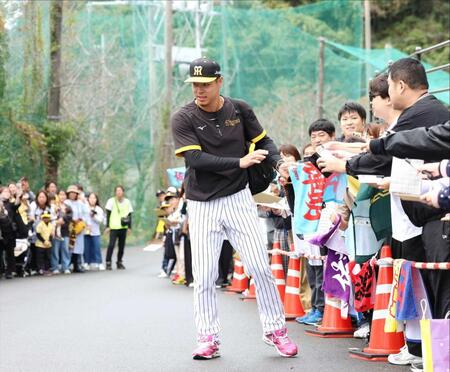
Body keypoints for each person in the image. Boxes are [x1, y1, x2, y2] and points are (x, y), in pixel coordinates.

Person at [171, 57, 297, 359]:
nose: (199, 90)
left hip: (239, 198)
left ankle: (275, 329)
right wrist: (239, 162)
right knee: (203, 276)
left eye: (205, 84)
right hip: (202, 204)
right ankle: (207, 338)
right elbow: (195, 160)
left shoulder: (239, 109)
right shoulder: (183, 117)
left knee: (259, 267)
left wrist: (279, 162)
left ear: (219, 82)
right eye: (195, 84)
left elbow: (263, 140)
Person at [105, 185, 133, 270]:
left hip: (123, 227)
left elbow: (129, 215)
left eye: (120, 190)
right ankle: (108, 262)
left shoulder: (127, 202)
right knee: (111, 245)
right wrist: (107, 226)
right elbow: (108, 215)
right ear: (115, 192)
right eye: (117, 191)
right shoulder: (111, 201)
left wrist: (129, 227)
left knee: (121, 246)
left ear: (123, 192)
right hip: (113, 227)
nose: (119, 192)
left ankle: (119, 262)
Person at [65, 185, 88, 273]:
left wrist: (81, 220)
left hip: (79, 227)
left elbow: (85, 213)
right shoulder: (66, 202)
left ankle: (77, 265)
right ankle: (67, 265)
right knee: (70, 246)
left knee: (78, 247)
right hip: (70, 226)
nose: (73, 194)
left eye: (74, 193)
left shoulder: (80, 203)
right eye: (71, 193)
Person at [51, 190, 72, 274]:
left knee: (65, 249)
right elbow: (51, 216)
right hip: (56, 231)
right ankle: (55, 267)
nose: (62, 196)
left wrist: (63, 219)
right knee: (55, 250)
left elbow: (70, 216)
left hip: (65, 231)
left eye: (64, 195)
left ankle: (65, 267)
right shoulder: (54, 206)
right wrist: (56, 221)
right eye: (60, 195)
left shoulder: (68, 207)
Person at [84, 193, 105, 270]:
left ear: (96, 200)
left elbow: (100, 221)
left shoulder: (99, 209)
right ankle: (87, 262)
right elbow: (83, 218)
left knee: (96, 247)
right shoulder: (85, 208)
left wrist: (94, 216)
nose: (92, 200)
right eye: (91, 198)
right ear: (88, 199)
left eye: (94, 198)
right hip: (86, 231)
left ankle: (99, 262)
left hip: (95, 232)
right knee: (86, 248)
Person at [35, 212, 54, 276]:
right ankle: (40, 269)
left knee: (48, 257)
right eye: (44, 218)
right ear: (42, 218)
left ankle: (47, 269)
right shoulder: (40, 225)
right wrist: (44, 241)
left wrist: (49, 241)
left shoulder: (51, 225)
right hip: (40, 244)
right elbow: (38, 234)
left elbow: (51, 234)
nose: (46, 219)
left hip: (48, 244)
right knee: (40, 257)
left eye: (47, 218)